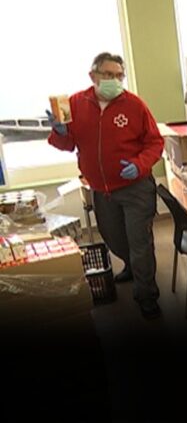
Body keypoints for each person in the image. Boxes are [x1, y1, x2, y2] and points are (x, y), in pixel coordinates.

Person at [47, 52, 164, 319]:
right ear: (93, 76)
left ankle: (146, 295)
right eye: (108, 74)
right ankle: (132, 266)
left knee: (139, 242)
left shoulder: (134, 105)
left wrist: (140, 164)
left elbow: (155, 142)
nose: (115, 80)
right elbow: (68, 145)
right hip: (101, 189)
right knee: (113, 237)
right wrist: (60, 132)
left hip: (135, 187)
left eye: (119, 75)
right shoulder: (75, 104)